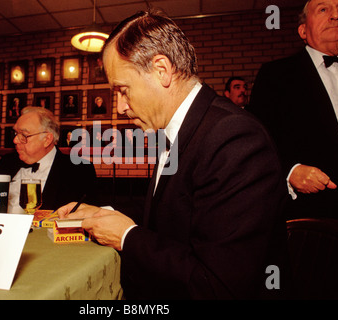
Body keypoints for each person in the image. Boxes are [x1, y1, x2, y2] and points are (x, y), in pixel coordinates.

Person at [57, 10, 290, 299]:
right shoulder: (184, 128)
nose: (119, 107)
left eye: (123, 90)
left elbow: (218, 285)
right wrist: (106, 215)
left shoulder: (234, 137)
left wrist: (127, 237)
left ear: (161, 71)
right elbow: (175, 223)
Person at [247, 0, 338, 222]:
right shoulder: (276, 75)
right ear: (303, 30)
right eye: (323, 9)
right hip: (314, 216)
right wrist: (290, 171)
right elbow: (256, 144)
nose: (335, 15)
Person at [0, 106, 97, 213]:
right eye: (15, 134)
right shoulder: (6, 162)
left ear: (47, 139)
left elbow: (82, 218)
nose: (15, 140)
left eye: (24, 135)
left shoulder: (79, 170)